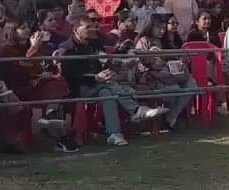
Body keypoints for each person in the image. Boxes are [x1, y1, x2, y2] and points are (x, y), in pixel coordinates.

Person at [55, 18, 166, 149]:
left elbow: (104, 62)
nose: (92, 30)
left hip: (99, 85)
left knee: (107, 93)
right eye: (87, 27)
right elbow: (70, 76)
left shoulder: (94, 44)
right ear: (75, 30)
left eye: (93, 26)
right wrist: (95, 77)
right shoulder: (67, 49)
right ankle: (136, 110)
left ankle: (114, 134)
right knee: (107, 85)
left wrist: (109, 71)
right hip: (78, 88)